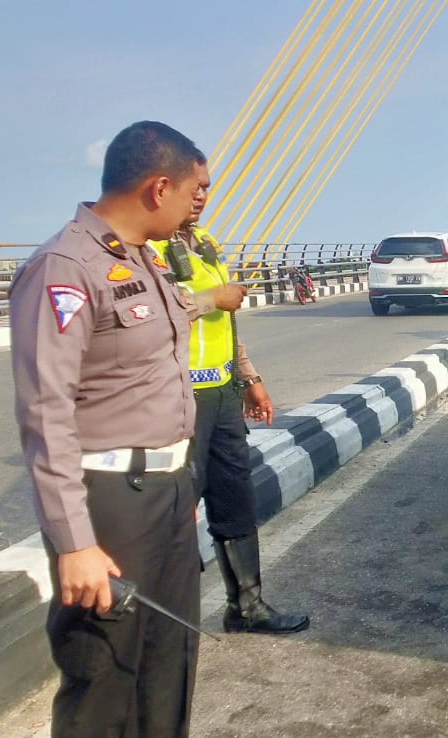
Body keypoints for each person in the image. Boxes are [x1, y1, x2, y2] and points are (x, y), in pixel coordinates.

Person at [10, 121, 207, 737]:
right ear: (159, 187)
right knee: (106, 673)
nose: (197, 204)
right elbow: (47, 412)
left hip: (167, 492)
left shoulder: (147, 260)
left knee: (168, 659)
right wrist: (74, 542)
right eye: (194, 190)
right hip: (109, 504)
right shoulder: (64, 268)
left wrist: (182, 483)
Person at [153, 193, 310, 635]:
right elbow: (149, 318)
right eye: (191, 188)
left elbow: (226, 325)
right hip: (178, 398)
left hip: (220, 395)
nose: (200, 198)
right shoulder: (147, 249)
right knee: (175, 507)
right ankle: (166, 620)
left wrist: (248, 377)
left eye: (205, 189)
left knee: (234, 497)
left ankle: (246, 607)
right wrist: (211, 298)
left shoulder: (204, 242)